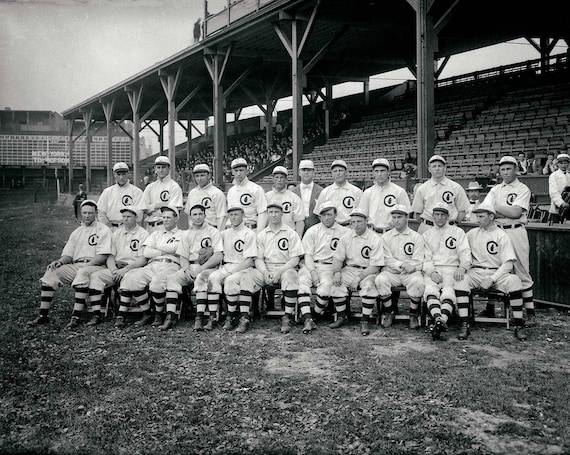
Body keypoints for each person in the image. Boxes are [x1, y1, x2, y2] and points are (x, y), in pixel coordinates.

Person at [28, 200, 112, 328]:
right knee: (52, 272)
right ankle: (43, 315)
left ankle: (76, 317)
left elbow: (103, 255)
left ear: (96, 213)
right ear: (80, 213)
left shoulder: (103, 230)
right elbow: (68, 254)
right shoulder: (77, 232)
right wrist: (59, 262)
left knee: (82, 273)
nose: (87, 216)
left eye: (90, 213)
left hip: (95, 266)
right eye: (84, 213)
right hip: (77, 265)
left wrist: (88, 265)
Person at [453, 201, 527, 341]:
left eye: (481, 216)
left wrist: (492, 279)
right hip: (476, 271)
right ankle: (464, 324)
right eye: (477, 216)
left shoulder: (502, 235)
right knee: (460, 281)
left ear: (491, 216)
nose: (478, 220)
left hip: (497, 273)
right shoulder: (472, 233)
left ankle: (518, 325)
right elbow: (459, 249)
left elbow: (508, 263)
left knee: (515, 281)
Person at [481, 155, 535, 325]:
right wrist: (500, 210)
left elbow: (515, 213)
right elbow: (484, 210)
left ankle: (530, 312)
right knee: (494, 265)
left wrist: (496, 208)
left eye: (509, 169)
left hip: (515, 230)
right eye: (502, 169)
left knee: (521, 269)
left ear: (515, 169)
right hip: (497, 231)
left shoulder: (522, 188)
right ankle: (490, 308)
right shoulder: (496, 189)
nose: (505, 172)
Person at [117, 204, 183, 329]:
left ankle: (158, 315)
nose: (165, 220)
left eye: (169, 217)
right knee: (133, 279)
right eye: (163, 217)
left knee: (157, 283)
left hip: (171, 264)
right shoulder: (156, 234)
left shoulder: (182, 234)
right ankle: (147, 313)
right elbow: (146, 252)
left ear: (176, 219)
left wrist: (156, 247)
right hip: (153, 263)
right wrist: (164, 250)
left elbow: (175, 248)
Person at [85, 207, 149, 328]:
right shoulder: (116, 234)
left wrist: (126, 269)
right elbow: (110, 256)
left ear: (136, 217)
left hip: (134, 267)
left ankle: (121, 316)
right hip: (116, 268)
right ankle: (96, 314)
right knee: (96, 276)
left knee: (129, 279)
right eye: (123, 216)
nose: (125, 219)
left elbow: (143, 259)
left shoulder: (143, 234)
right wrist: (114, 270)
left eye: (129, 217)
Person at [164, 204, 223, 331]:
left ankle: (200, 318)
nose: (198, 217)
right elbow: (183, 256)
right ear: (190, 217)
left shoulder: (213, 231)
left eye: (200, 214)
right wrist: (185, 269)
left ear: (205, 215)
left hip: (208, 266)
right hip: (190, 266)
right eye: (195, 214)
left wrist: (201, 268)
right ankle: (170, 316)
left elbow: (218, 255)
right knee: (173, 278)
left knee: (201, 278)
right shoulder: (187, 234)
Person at [248, 202, 304, 334]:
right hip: (266, 268)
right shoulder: (261, 235)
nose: (273, 215)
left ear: (282, 214)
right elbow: (258, 259)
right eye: (271, 212)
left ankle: (287, 316)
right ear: (267, 214)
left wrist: (280, 271)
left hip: (285, 267)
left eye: (276, 212)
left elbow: (295, 258)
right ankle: (245, 317)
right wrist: (265, 272)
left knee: (291, 278)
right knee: (247, 277)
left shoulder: (291, 233)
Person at [329, 208, 384, 336]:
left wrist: (359, 278)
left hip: (368, 270)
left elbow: (376, 266)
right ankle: (342, 317)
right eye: (353, 222)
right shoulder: (346, 237)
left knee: (369, 287)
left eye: (359, 221)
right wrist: (337, 272)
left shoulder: (375, 238)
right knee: (336, 284)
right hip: (350, 268)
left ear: (366, 221)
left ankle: (364, 321)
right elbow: (338, 258)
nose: (356, 224)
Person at [297, 201, 350, 334]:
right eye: (323, 215)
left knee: (326, 287)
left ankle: (313, 314)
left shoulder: (344, 232)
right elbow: (308, 255)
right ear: (319, 216)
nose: (327, 218)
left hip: (330, 267)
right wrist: (313, 272)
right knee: (302, 282)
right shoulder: (313, 230)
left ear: (336, 215)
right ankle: (308, 319)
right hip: (312, 265)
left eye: (330, 214)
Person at [421, 203, 471, 340]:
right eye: (436, 214)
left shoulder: (457, 232)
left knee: (448, 291)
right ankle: (440, 319)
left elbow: (465, 253)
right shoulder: (427, 234)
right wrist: (431, 272)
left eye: (443, 214)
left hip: (452, 268)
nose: (439, 217)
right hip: (434, 269)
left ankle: (438, 320)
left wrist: (462, 268)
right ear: (432, 216)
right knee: (430, 290)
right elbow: (425, 257)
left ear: (448, 216)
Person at [375, 205, 426, 330]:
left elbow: (418, 260)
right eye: (394, 217)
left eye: (400, 217)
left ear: (407, 217)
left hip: (410, 273)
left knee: (418, 282)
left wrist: (409, 267)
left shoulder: (416, 237)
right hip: (392, 272)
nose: (396, 220)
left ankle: (413, 313)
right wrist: (402, 264)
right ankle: (389, 311)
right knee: (380, 280)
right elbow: (386, 258)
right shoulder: (386, 237)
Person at [216, 206, 259, 333]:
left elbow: (249, 260)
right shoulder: (223, 234)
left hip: (243, 267)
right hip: (226, 265)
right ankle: (216, 315)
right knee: (213, 278)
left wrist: (231, 272)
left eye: (236, 214)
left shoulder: (249, 233)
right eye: (231, 215)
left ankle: (232, 316)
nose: (233, 217)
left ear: (242, 215)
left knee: (230, 280)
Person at [411, 154, 470, 234]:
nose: (437, 169)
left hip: (449, 228)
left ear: (445, 168)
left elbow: (462, 211)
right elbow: (418, 214)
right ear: (429, 169)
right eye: (434, 166)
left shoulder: (456, 187)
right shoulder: (422, 189)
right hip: (428, 228)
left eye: (440, 166)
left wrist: (452, 223)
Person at [358, 158, 411, 234]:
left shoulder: (399, 191)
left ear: (388, 172)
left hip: (393, 233)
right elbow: (362, 215)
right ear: (373, 173)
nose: (379, 174)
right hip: (372, 233)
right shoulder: (367, 192)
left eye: (382, 171)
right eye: (376, 171)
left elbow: (406, 216)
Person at [313, 159, 363, 227]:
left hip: (350, 227)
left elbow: (362, 213)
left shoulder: (357, 192)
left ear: (346, 172)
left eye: (341, 171)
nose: (338, 173)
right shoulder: (325, 192)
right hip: (331, 228)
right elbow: (318, 213)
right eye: (335, 171)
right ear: (332, 173)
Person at [96, 162, 144, 230]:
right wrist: (108, 227)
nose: (121, 177)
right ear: (114, 174)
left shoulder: (136, 191)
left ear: (128, 174)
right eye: (118, 174)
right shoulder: (107, 192)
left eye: (124, 174)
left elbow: (139, 214)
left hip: (129, 229)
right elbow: (101, 213)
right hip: (110, 228)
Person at [142, 156, 183, 233]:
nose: (161, 170)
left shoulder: (174, 186)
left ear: (169, 168)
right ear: (155, 169)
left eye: (163, 167)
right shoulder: (150, 186)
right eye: (158, 167)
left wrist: (151, 210)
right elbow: (144, 208)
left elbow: (173, 212)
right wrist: (157, 205)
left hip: (165, 227)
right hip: (150, 227)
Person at [226, 157, 267, 232]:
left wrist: (259, 233)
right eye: (236, 170)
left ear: (247, 171)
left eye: (241, 170)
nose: (239, 173)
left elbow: (262, 212)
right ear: (232, 172)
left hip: (250, 229)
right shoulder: (231, 191)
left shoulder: (256, 188)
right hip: (233, 230)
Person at [184, 163, 227, 230]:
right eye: (197, 176)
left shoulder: (217, 193)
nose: (200, 178)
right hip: (195, 230)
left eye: (202, 175)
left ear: (209, 175)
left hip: (211, 229)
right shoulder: (192, 193)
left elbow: (221, 216)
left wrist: (219, 234)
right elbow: (189, 215)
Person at [265, 166, 304, 238]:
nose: (279, 180)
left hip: (289, 235)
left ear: (286, 179)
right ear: (273, 179)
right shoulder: (266, 197)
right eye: (276, 177)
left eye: (282, 177)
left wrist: (298, 237)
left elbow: (299, 220)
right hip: (269, 235)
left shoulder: (294, 197)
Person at [291, 159, 323, 233]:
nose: (306, 172)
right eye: (303, 170)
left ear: (313, 172)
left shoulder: (321, 191)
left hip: (316, 228)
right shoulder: (293, 192)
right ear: (299, 172)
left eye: (309, 170)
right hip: (297, 228)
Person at [548, 152, 570, 223]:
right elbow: (553, 192)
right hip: (557, 208)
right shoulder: (554, 175)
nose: (563, 165)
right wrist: (561, 203)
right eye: (561, 163)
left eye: (565, 163)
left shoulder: (569, 175)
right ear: (558, 164)